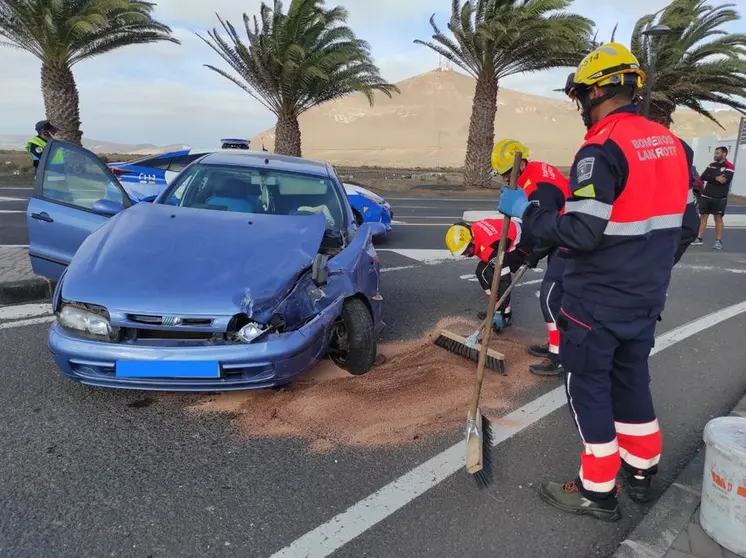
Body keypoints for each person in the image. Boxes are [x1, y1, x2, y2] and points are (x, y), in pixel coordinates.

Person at [497, 42, 696, 521]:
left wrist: (533, 215)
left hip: (595, 304)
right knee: (632, 381)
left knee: (587, 387)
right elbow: (687, 226)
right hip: (645, 298)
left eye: (581, 97)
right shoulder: (675, 147)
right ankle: (642, 472)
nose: (581, 108)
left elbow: (583, 232)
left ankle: (597, 490)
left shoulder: (602, 148)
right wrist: (648, 270)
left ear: (598, 91)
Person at [490, 138, 572, 376]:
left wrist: (533, 254)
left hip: (567, 242)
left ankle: (559, 357)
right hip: (562, 238)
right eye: (503, 174)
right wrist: (528, 252)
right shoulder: (532, 173)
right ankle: (558, 344)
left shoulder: (538, 188)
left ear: (521, 163)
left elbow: (547, 228)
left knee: (550, 298)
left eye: (508, 173)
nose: (505, 178)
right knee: (558, 298)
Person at [445, 218, 521, 332]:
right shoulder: (471, 230)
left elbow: (505, 280)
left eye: (466, 251)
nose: (465, 255)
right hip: (504, 236)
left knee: (492, 274)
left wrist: (499, 311)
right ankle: (495, 309)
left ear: (472, 241)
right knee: (482, 272)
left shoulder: (491, 249)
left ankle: (504, 315)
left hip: (520, 243)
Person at [692, 146, 735, 250]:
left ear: (724, 154)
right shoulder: (711, 165)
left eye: (717, 153)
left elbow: (724, 180)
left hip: (719, 198)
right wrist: (715, 177)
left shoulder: (729, 166)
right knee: (703, 218)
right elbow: (703, 176)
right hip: (706, 196)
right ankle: (699, 238)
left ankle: (718, 241)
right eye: (715, 153)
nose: (715, 155)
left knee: (718, 218)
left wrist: (711, 176)